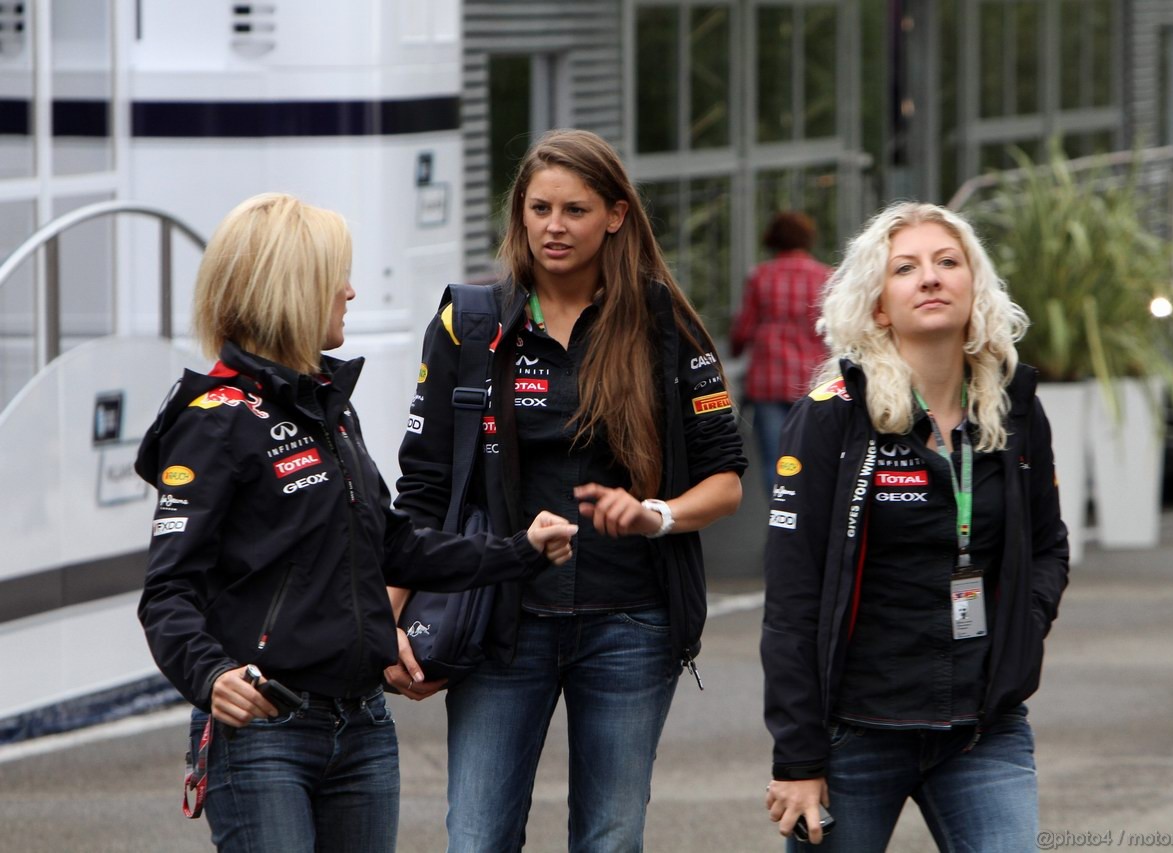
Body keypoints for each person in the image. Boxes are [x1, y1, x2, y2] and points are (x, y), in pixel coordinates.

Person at [135, 192, 577, 853]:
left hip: (365, 725)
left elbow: (393, 545)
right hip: (266, 730)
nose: (349, 290)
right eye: (335, 275)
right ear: (291, 287)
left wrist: (521, 552)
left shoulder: (330, 409)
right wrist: (212, 676)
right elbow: (166, 592)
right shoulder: (215, 419)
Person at [390, 129, 747, 852]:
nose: (554, 226)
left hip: (633, 622)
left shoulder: (666, 323)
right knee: (478, 835)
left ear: (615, 215)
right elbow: (423, 487)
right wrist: (384, 619)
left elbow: (727, 479)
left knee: (610, 838)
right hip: (499, 618)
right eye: (540, 207)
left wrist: (656, 514)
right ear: (520, 213)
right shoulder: (471, 323)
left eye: (576, 210)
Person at [760, 201, 1070, 851]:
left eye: (947, 262)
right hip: (853, 732)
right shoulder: (831, 420)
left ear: (973, 287)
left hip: (984, 729)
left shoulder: (1017, 412)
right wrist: (798, 756)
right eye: (906, 268)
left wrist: (1021, 626)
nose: (930, 278)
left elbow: (1049, 544)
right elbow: (791, 599)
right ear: (878, 306)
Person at [730, 211, 831, 486]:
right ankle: (810, 520)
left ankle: (782, 520)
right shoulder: (826, 277)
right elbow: (835, 333)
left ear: (773, 240)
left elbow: (743, 330)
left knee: (777, 461)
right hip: (814, 384)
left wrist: (736, 350)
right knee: (814, 457)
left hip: (768, 383)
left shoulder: (760, 277)